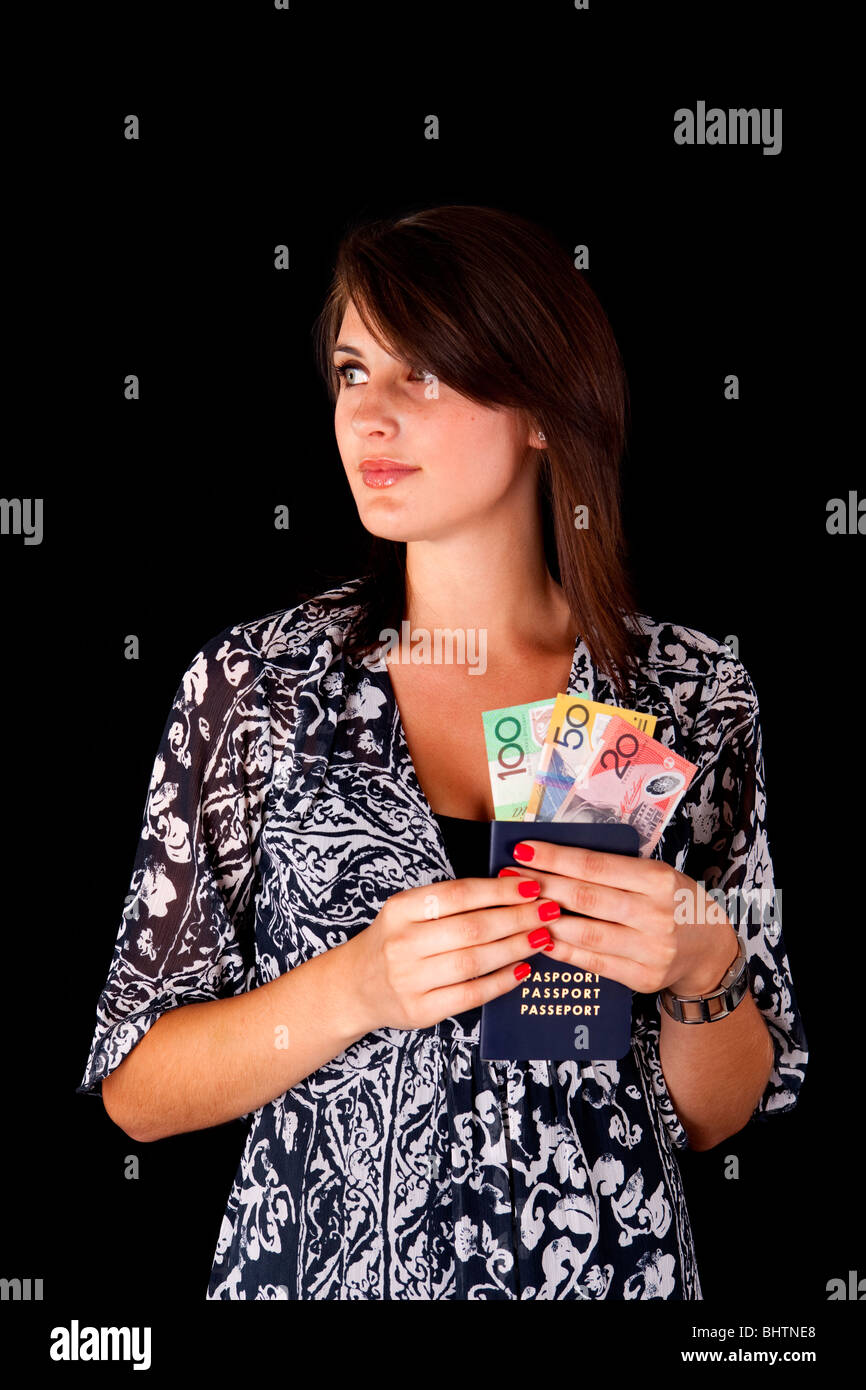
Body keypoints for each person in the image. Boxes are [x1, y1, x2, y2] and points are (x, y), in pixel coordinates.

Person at [77, 204, 808, 1300]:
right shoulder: (257, 684)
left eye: (419, 376)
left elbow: (712, 1113)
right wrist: (354, 986)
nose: (366, 416)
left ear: (538, 409)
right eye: (350, 371)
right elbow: (136, 1087)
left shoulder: (688, 691)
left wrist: (702, 967)